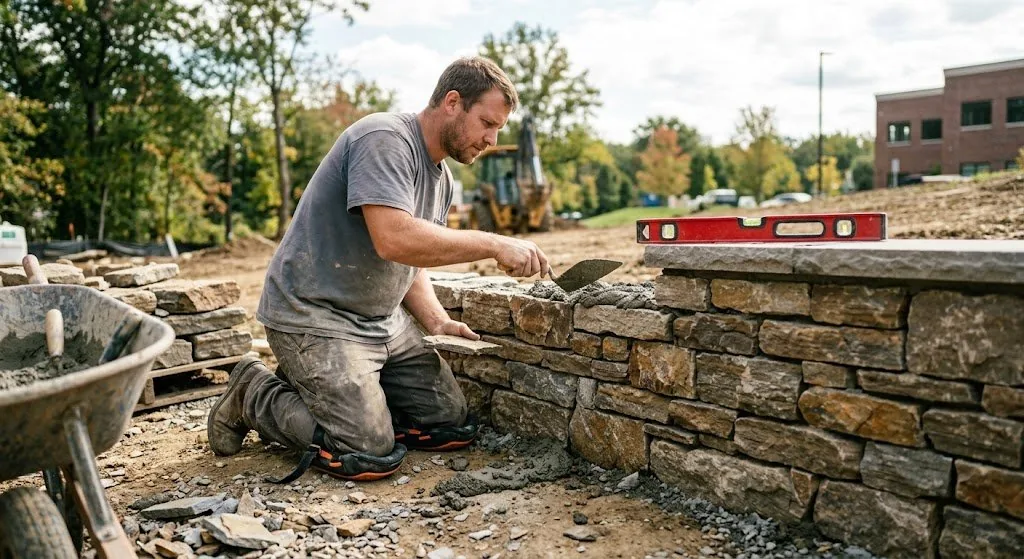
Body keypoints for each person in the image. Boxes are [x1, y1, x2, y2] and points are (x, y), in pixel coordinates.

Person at [206, 56, 550, 482]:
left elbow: (413, 257)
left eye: (498, 128)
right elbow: (394, 237)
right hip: (315, 316)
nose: (492, 139)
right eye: (487, 123)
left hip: (382, 324)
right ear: (452, 102)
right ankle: (252, 392)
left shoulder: (442, 179)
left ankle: (332, 388)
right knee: (367, 449)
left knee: (448, 421)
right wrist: (494, 244)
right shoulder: (384, 138)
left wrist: (437, 321)